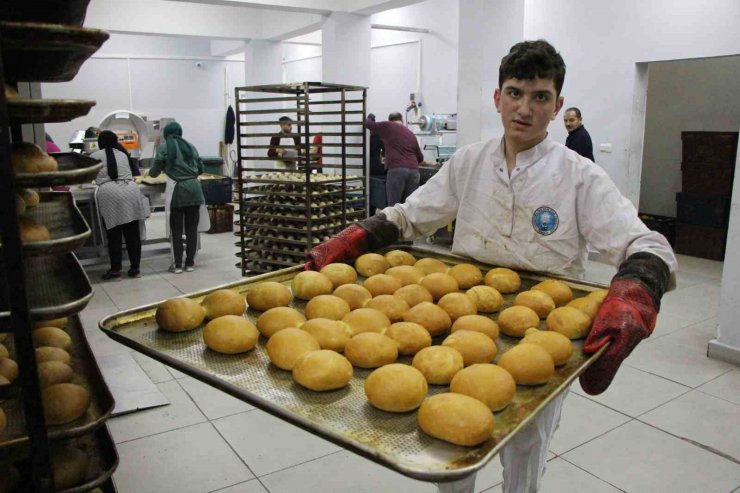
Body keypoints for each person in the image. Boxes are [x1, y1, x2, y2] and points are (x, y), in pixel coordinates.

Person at [307, 40, 676, 493]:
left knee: (528, 447)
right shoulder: (470, 162)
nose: (525, 108)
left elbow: (647, 243)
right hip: (458, 322)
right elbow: (413, 213)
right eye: (515, 93)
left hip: (543, 332)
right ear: (496, 98)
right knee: (456, 446)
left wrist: (635, 294)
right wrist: (359, 234)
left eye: (540, 97)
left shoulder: (579, 176)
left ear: (557, 106)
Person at [149, 122, 205, 274]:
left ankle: (178, 265)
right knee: (192, 229)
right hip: (195, 189)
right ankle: (190, 263)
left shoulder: (164, 148)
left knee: (176, 231)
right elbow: (201, 168)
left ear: (166, 134)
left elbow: (154, 172)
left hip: (178, 191)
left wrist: (156, 170)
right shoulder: (191, 146)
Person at [92, 131, 147, 280]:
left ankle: (116, 271)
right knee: (133, 234)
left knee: (114, 234)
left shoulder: (95, 156)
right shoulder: (122, 154)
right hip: (130, 190)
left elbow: (90, 176)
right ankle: (135, 269)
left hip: (109, 193)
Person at [365, 112, 424, 207]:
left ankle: (393, 222)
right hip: (414, 172)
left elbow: (368, 124)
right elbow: (420, 158)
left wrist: (369, 117)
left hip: (397, 170)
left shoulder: (388, 126)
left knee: (393, 206)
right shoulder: (410, 133)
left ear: (390, 120)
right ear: (402, 121)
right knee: (409, 206)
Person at [368, 114, 387, 215]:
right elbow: (385, 150)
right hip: (376, 165)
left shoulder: (363, 135)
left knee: (369, 190)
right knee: (375, 191)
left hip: (366, 165)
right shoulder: (378, 136)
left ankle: (369, 211)